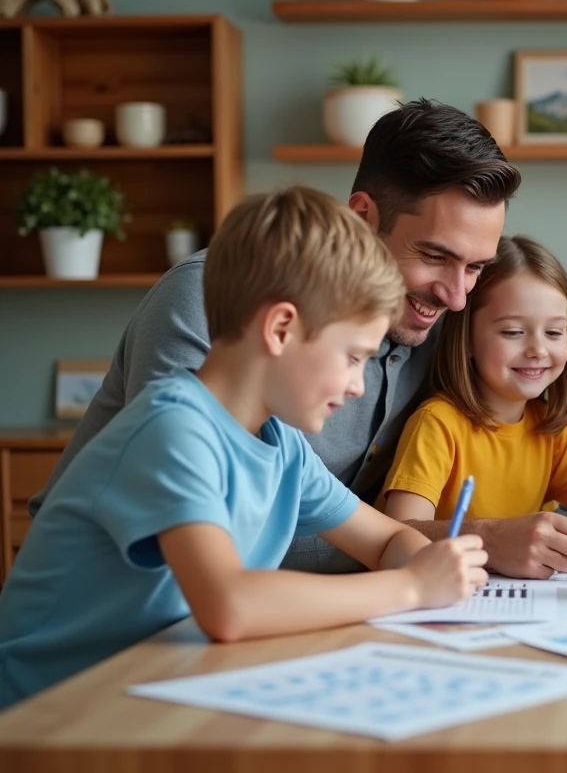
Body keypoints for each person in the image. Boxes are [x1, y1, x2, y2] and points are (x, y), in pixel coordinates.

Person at [28, 99, 567, 577]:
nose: (456, 296)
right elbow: (215, 549)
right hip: (128, 629)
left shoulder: (454, 318)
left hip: (311, 611)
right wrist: (473, 536)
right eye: (434, 256)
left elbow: (556, 426)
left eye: (475, 267)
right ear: (362, 217)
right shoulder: (215, 305)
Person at [0, 187, 490, 708]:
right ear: (280, 328)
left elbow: (388, 540)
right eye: (351, 357)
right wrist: (412, 589)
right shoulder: (172, 430)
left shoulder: (282, 446)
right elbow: (229, 606)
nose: (357, 386)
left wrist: (432, 566)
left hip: (145, 694)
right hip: (44, 715)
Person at [382, 236, 567, 578]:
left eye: (554, 333)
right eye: (513, 332)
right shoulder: (438, 424)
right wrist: (490, 541)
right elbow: (398, 532)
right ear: (467, 340)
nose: (538, 350)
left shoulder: (554, 427)